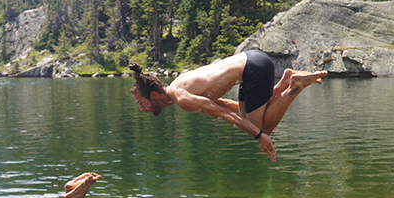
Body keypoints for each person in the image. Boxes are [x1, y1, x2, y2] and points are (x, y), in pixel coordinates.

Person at [129, 51, 327, 161]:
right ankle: (284, 81)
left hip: (252, 70)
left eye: (141, 103)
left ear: (153, 95)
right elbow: (225, 104)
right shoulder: (179, 84)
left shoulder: (183, 99)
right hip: (251, 61)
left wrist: (259, 136)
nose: (141, 109)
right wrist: (251, 123)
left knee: (263, 127)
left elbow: (223, 114)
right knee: (248, 116)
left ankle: (295, 86)